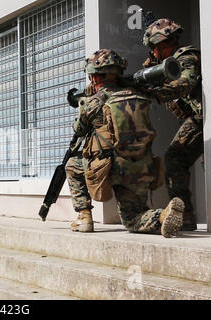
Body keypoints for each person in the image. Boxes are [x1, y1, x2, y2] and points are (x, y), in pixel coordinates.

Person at [65, 49, 184, 238]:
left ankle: (84, 217)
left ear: (94, 77)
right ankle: (161, 216)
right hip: (141, 167)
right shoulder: (139, 95)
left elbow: (78, 130)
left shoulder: (94, 102)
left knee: (72, 165)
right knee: (133, 218)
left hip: (108, 168)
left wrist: (83, 105)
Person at [142, 18, 202, 231]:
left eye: (154, 48)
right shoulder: (166, 63)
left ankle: (185, 213)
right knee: (175, 158)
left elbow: (186, 83)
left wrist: (157, 92)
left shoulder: (186, 57)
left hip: (202, 120)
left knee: (176, 157)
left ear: (161, 44)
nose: (154, 54)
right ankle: (184, 215)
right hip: (198, 120)